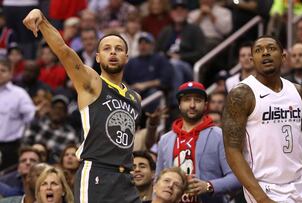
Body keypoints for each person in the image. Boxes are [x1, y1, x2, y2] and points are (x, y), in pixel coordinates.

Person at [23, 9, 142, 203]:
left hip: (126, 178)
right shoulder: (92, 82)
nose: (113, 52)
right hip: (97, 172)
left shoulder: (135, 98)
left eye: (119, 49)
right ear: (97, 57)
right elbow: (64, 50)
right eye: (107, 48)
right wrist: (42, 20)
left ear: (126, 57)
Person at [222, 35, 302, 202]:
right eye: (258, 50)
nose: (265, 53)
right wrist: (261, 198)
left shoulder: (297, 91)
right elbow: (232, 151)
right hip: (265, 187)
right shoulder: (241, 94)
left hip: (301, 184)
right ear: (252, 59)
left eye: (271, 49)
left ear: (284, 57)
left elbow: (299, 149)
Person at [156, 81, 241, 203]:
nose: (192, 105)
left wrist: (208, 186)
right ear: (179, 104)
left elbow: (237, 178)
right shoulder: (165, 140)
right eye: (186, 100)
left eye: (197, 100)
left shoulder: (220, 136)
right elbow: (158, 180)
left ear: (206, 105)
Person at [0, 59, 36, 171]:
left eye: (3, 70)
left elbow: (30, 118)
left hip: (10, 147)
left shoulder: (19, 94)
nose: (0, 73)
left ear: (11, 73)